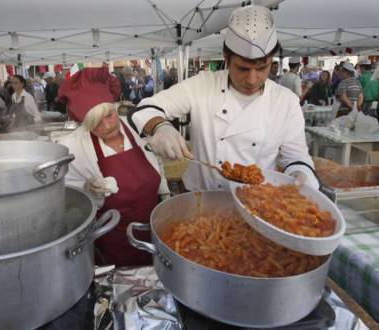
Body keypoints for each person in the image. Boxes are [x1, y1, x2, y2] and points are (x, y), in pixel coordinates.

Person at [129, 5, 319, 192]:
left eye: (262, 68)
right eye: (242, 68)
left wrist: (299, 174)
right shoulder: (203, 85)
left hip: (257, 202)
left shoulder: (286, 102)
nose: (252, 80)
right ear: (226, 58)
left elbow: (296, 157)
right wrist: (160, 127)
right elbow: (145, 108)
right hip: (200, 198)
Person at [58, 67, 169, 266]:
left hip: (153, 231)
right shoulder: (71, 146)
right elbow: (67, 201)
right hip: (111, 242)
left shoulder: (136, 127)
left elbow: (157, 163)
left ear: (115, 106)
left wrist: (165, 196)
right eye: (96, 123)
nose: (107, 126)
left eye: (109, 115)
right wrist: (89, 192)